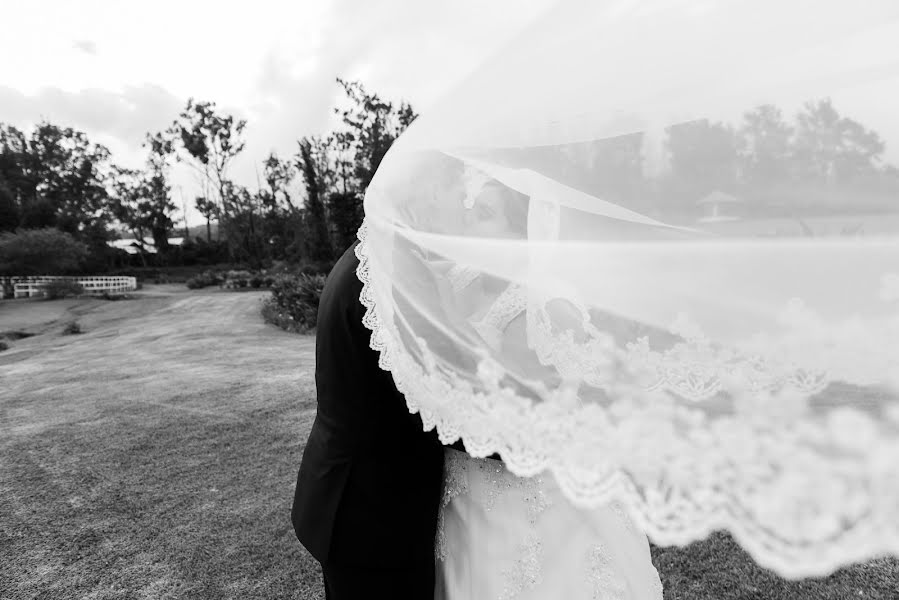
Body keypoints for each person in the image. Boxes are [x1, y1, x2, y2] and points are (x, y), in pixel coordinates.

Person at [291, 239, 445, 600]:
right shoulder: (387, 282)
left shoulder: (363, 257)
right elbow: (428, 405)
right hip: (370, 520)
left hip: (349, 499)